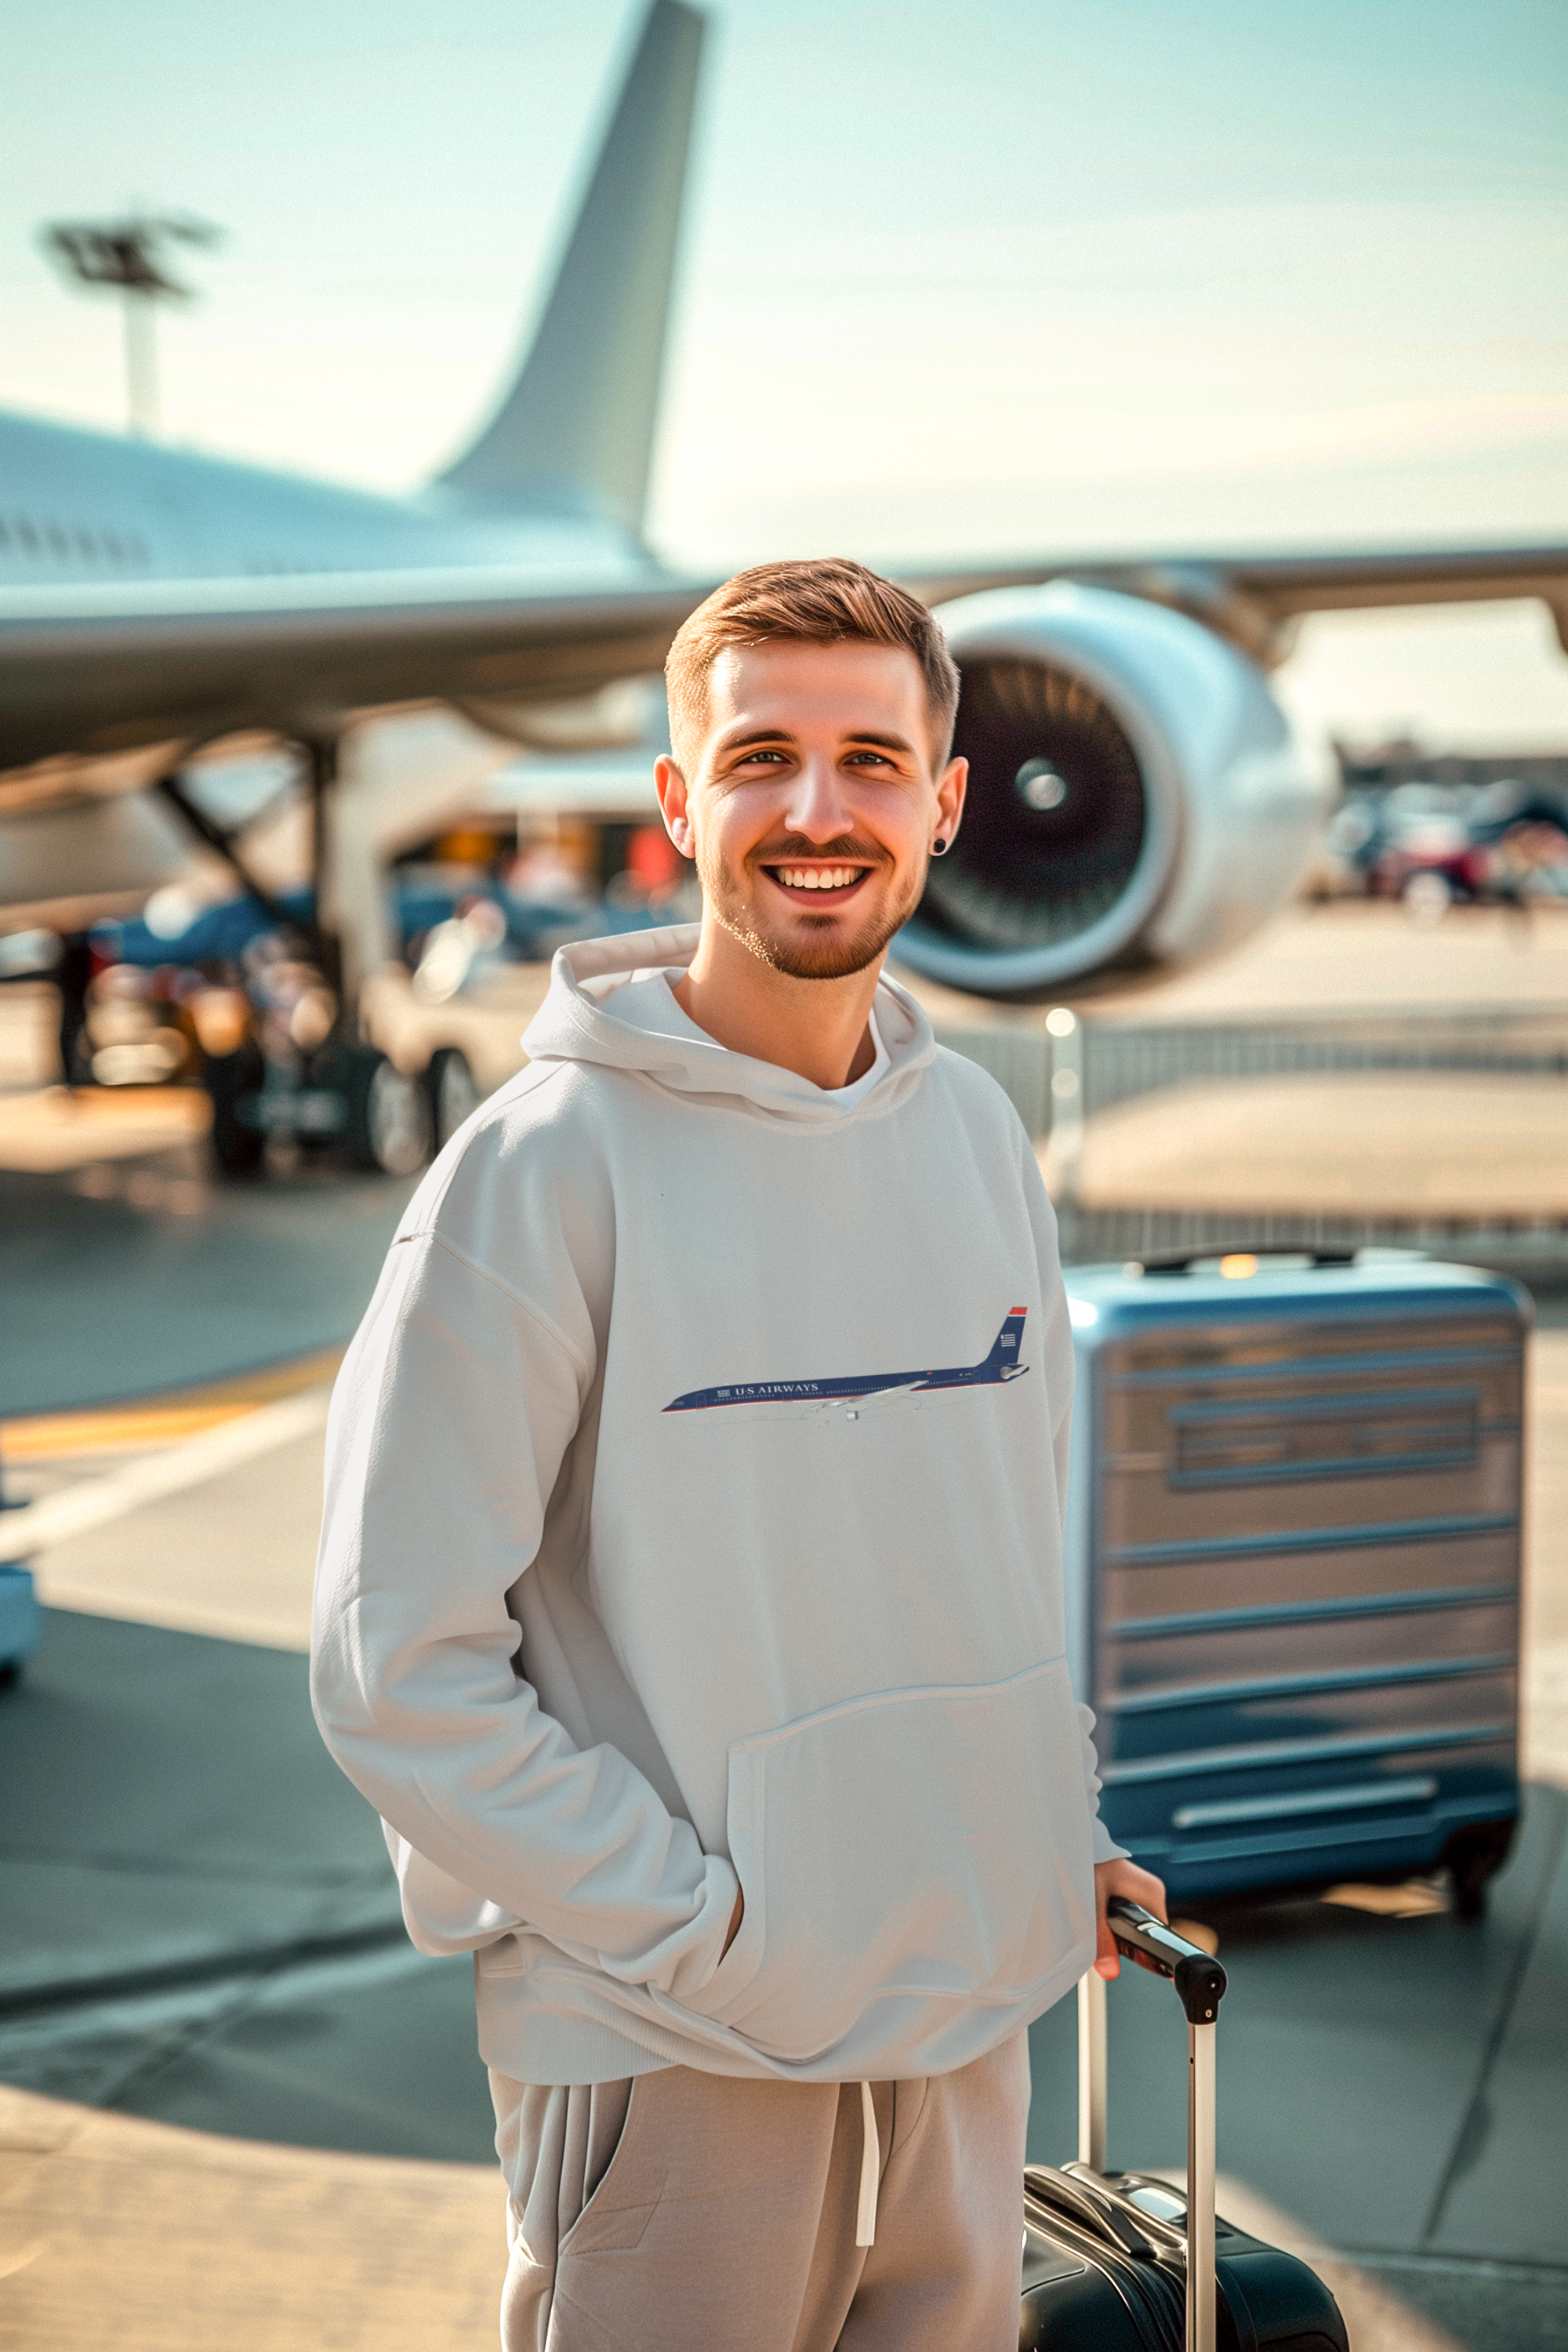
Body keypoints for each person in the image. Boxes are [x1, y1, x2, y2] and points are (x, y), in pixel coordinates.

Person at [311, 558, 1166, 2352]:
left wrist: (1043, 1829)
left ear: (941, 803)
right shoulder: (543, 1169)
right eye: (761, 754)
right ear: (680, 803)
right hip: (673, 2047)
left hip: (964, 2010)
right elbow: (397, 1673)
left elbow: (999, 1548)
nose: (816, 809)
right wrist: (709, 1938)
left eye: (870, 758)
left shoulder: (975, 1134)